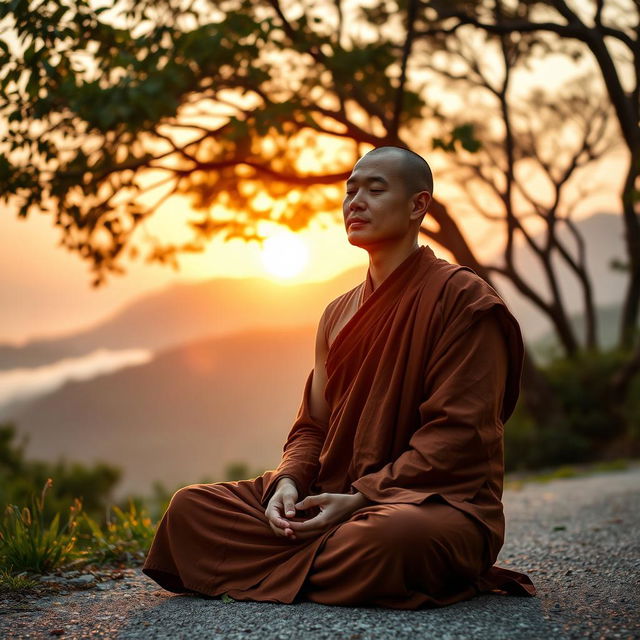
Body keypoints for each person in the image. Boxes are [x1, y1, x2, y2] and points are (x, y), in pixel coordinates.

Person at [141, 145, 537, 608]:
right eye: (350, 191)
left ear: (418, 205)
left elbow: (460, 436)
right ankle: (319, 558)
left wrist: (363, 498)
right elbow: (313, 425)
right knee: (190, 509)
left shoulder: (464, 301)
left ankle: (285, 561)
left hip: (429, 504)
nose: (356, 202)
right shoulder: (337, 314)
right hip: (331, 495)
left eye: (375, 188)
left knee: (393, 540)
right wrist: (288, 484)